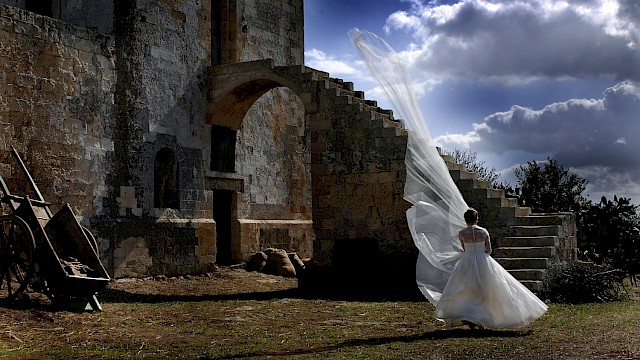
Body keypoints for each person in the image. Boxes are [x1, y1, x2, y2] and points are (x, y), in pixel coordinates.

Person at [432, 208, 548, 330]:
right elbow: (489, 250)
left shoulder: (462, 233)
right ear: (477, 219)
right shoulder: (483, 232)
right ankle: (483, 318)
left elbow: (464, 249)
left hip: (467, 261)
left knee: (467, 288)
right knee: (486, 288)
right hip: (483, 260)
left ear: (465, 219)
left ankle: (471, 317)